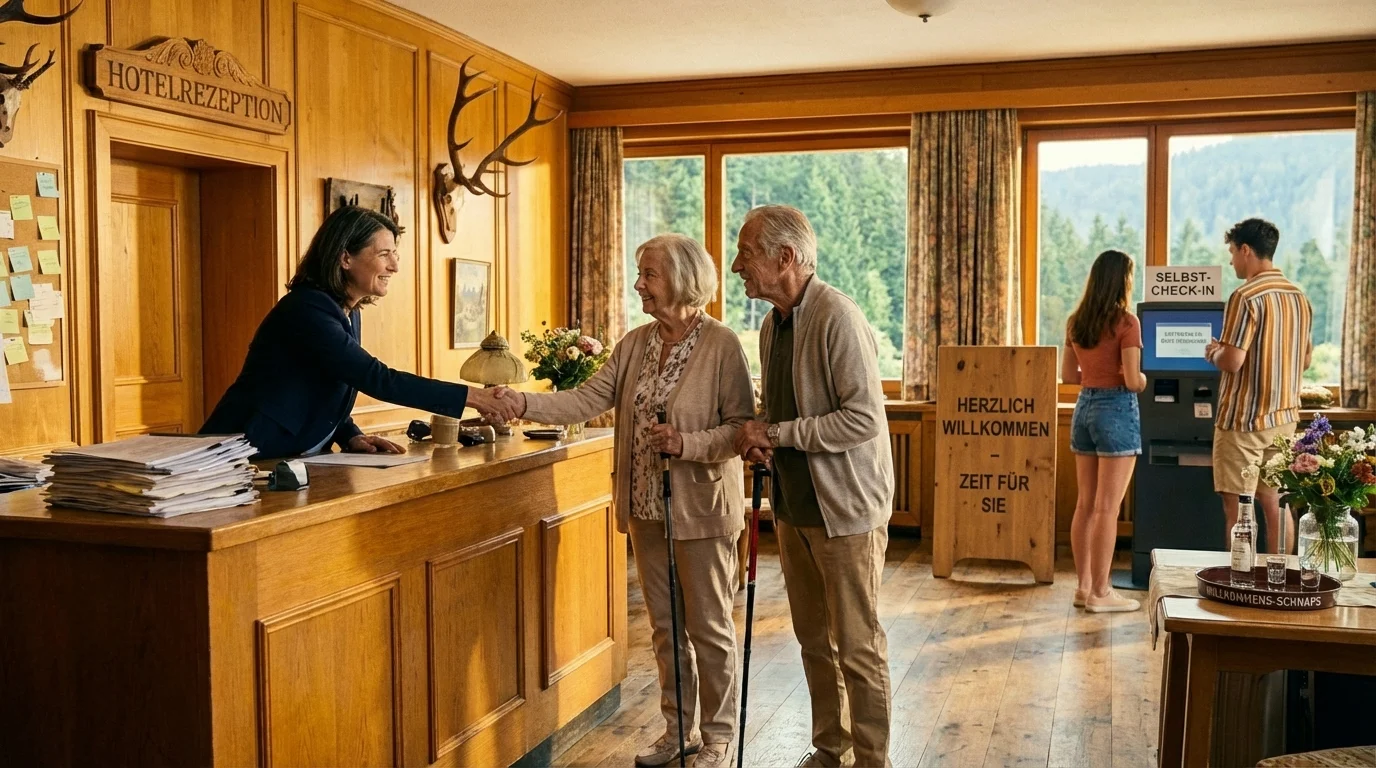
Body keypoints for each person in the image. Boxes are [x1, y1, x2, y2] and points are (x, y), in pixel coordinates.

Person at [493, 234, 754, 768]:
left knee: (709, 627)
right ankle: (678, 731)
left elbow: (740, 429)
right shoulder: (635, 343)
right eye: (640, 273)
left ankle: (719, 737)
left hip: (702, 509)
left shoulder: (722, 344)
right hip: (644, 508)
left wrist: (686, 443)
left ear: (681, 278)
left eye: (649, 274)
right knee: (665, 627)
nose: (639, 284)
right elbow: (586, 399)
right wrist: (521, 402)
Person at [729, 205, 894, 768]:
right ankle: (831, 750)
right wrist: (763, 434)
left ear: (786, 257)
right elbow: (780, 410)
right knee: (814, 643)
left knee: (858, 647)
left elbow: (862, 418)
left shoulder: (837, 316)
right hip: (794, 508)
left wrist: (776, 433)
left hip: (845, 511)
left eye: (746, 253)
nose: (737, 266)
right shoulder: (771, 325)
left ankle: (872, 761)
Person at [200, 206, 518, 458]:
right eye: (384, 254)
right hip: (242, 456)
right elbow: (374, 378)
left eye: (395, 254)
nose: (394, 266)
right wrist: (474, 397)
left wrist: (350, 435)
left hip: (284, 456)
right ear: (345, 258)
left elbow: (329, 383)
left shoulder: (348, 312)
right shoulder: (307, 309)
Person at [1205, 217, 1313, 554]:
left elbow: (1232, 361)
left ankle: (1242, 577)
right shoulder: (1299, 297)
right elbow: (1305, 360)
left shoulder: (1245, 296)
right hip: (1284, 420)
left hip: (1243, 421)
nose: (1231, 261)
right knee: (1276, 502)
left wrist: (1213, 352)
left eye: (1232, 253)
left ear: (1246, 250)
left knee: (1238, 508)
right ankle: (1280, 576)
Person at [1062, 250, 1146, 613]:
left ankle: (1083, 588)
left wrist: (1095, 373)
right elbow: (1133, 381)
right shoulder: (1127, 323)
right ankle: (1101, 592)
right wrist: (1142, 379)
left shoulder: (1075, 322)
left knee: (1085, 504)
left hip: (1084, 409)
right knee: (1107, 508)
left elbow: (1068, 376)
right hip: (1116, 410)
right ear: (1123, 281)